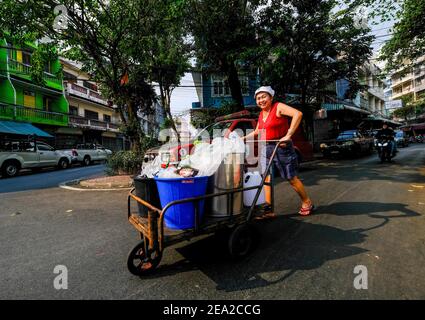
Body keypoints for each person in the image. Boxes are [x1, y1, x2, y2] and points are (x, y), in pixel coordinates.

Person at [242, 86, 314, 218]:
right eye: (258, 98)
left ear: (271, 97)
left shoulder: (278, 106)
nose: (261, 100)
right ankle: (268, 209)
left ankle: (306, 202)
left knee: (290, 177)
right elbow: (258, 131)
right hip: (266, 147)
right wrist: (242, 138)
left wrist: (288, 134)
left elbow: (298, 114)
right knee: (265, 178)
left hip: (281, 146)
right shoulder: (261, 114)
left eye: (264, 97)